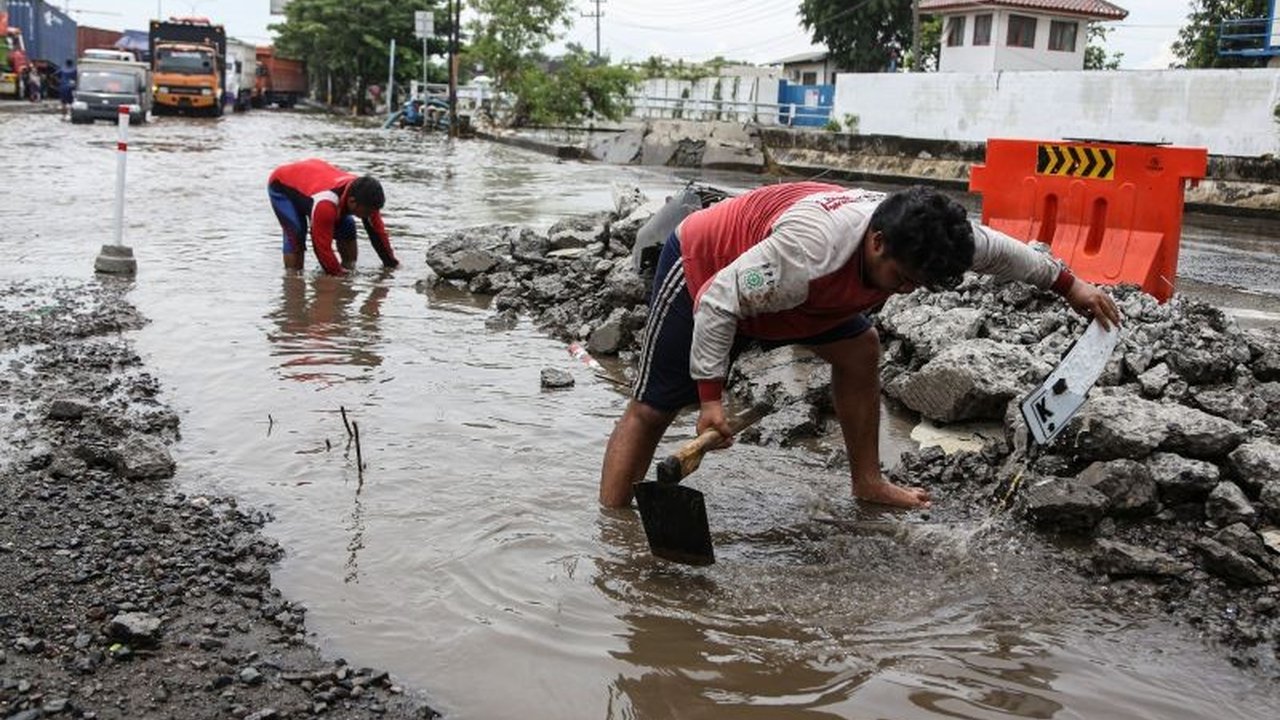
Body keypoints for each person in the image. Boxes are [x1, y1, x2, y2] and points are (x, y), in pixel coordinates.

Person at [598, 182, 1121, 510]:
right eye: (902, 278)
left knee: (860, 348)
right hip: (709, 269)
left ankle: (867, 481)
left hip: (804, 296)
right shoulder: (811, 248)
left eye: (919, 283)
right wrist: (711, 400)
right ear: (876, 243)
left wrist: (1071, 287)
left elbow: (1009, 255)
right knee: (655, 406)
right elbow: (718, 302)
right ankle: (612, 522)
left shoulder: (934, 237)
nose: (905, 291)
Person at [267, 158, 400, 275]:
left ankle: (349, 267)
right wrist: (338, 277)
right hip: (282, 185)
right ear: (352, 202)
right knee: (296, 231)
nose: (370, 216)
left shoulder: (367, 198)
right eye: (367, 213)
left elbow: (378, 234)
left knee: (347, 226)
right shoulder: (326, 204)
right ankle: (293, 279)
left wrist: (392, 264)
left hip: (314, 180)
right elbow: (321, 247)